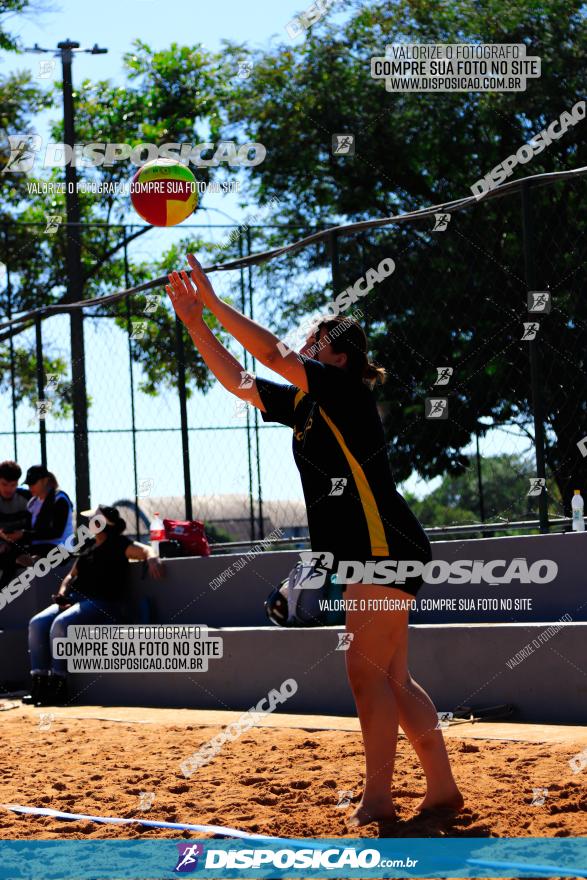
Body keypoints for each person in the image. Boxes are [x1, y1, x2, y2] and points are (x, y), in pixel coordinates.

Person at [166, 253, 464, 827]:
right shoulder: (306, 402)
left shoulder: (343, 390)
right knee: (392, 678)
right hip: (372, 547)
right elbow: (241, 380)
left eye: (317, 338)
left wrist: (212, 299)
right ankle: (443, 792)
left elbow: (272, 354)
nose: (306, 341)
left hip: (383, 544)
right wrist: (194, 322)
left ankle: (379, 799)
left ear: (340, 356)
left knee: (365, 673)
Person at [23, 504, 164, 707]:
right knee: (37, 623)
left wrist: (152, 559)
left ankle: (59, 684)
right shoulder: (89, 546)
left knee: (60, 625)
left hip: (104, 602)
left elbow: (147, 550)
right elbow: (71, 575)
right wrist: (63, 593)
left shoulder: (119, 544)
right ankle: (40, 684)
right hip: (76, 600)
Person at [22, 465, 74, 558]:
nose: (30, 487)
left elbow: (56, 532)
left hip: (60, 550)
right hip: (39, 548)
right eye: (29, 484)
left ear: (45, 481)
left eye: (33, 483)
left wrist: (23, 534)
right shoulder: (32, 503)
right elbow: (29, 531)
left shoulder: (60, 499)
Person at [0, 460, 31, 587]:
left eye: (13, 485)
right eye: (4, 484)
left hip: (22, 545)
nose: (9, 489)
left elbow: (36, 529)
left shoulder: (28, 498)